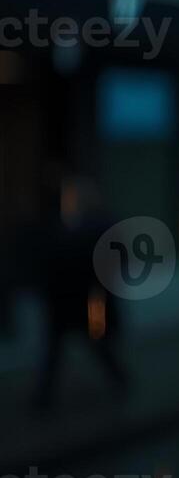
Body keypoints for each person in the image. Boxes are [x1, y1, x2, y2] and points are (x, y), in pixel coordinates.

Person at [32, 174, 130, 409]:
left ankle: (44, 398)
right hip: (77, 299)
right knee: (84, 344)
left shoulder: (87, 227)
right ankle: (119, 380)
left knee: (83, 343)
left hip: (86, 299)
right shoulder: (77, 226)